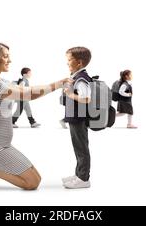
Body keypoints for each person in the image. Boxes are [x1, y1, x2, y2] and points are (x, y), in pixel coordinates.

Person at [0, 42, 72, 190]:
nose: (9, 60)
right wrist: (57, 84)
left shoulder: (2, 82)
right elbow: (27, 95)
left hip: (4, 145)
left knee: (36, 178)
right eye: (5, 56)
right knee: (32, 184)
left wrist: (58, 84)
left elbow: (28, 89)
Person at [61, 46, 93, 189]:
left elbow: (86, 98)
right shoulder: (77, 77)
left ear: (79, 63)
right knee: (78, 147)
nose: (67, 63)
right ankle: (79, 174)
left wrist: (70, 94)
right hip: (75, 118)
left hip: (79, 119)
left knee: (81, 149)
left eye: (69, 60)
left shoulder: (81, 78)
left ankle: (83, 179)